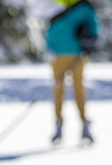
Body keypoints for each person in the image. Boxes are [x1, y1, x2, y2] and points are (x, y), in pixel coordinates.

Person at [45, 0, 100, 144]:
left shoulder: (84, 6)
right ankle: (58, 125)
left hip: (77, 54)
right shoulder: (57, 2)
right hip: (58, 52)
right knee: (60, 90)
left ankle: (84, 125)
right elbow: (51, 24)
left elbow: (93, 24)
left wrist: (90, 41)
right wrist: (50, 47)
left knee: (77, 89)